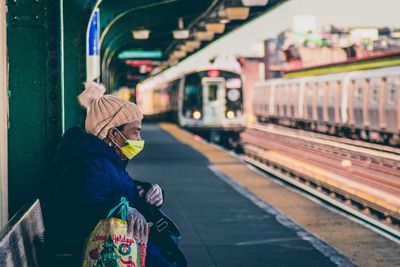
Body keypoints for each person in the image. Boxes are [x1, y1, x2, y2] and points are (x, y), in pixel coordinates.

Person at [46, 82, 175, 266]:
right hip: (101, 251)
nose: (139, 139)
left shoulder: (103, 160)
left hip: (116, 245)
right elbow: (83, 209)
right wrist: (124, 210)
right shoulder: (89, 164)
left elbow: (114, 189)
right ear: (114, 134)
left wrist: (147, 190)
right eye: (135, 132)